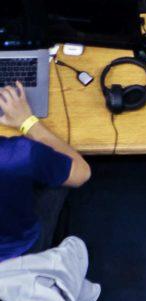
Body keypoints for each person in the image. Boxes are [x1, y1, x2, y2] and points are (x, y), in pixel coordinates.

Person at [0, 82, 92, 263]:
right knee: (55, 171)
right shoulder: (17, 154)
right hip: (20, 249)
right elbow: (82, 172)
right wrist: (26, 121)